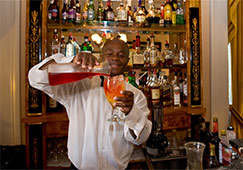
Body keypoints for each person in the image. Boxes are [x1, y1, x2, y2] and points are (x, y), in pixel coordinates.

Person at [28, 38, 152, 170]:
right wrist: (71, 62)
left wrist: (132, 112)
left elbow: (140, 138)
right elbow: (35, 78)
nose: (115, 58)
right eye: (109, 54)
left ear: (127, 61)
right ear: (102, 56)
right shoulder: (78, 85)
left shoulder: (136, 95)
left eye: (121, 55)